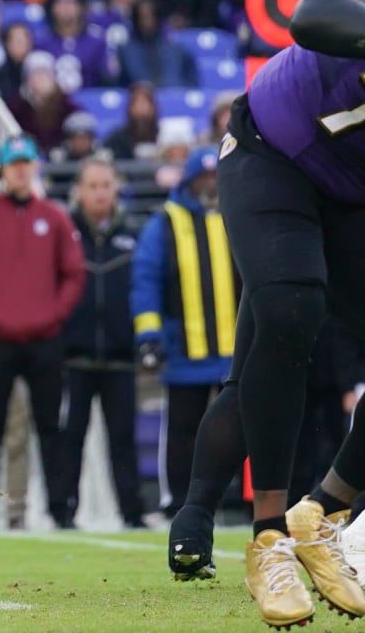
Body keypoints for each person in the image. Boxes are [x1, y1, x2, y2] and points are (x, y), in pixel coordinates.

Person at [164, 0, 365, 628]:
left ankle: (323, 512)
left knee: (269, 341)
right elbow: (312, 14)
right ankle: (269, 535)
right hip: (272, 152)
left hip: (350, 191)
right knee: (288, 310)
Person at [0, 136, 87, 530]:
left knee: (50, 428)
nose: (21, 170)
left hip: (44, 339)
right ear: (3, 170)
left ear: (35, 167)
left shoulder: (55, 217)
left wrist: (54, 314)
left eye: (27, 162)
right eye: (15, 164)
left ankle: (61, 511)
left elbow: (74, 274)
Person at [130, 146, 235, 518]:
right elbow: (146, 280)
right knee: (182, 433)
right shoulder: (165, 222)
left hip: (232, 353)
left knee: (234, 432)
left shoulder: (237, 215)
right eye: (203, 178)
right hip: (184, 351)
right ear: (190, 181)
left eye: (215, 177)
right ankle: (177, 500)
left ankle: (233, 500)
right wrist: (150, 336)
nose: (210, 185)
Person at [59, 158, 145, 529]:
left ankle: (133, 513)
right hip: (73, 357)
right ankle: (63, 513)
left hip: (121, 357)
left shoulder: (134, 234)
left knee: (123, 441)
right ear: (79, 190)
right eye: (92, 185)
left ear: (116, 188)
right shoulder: (63, 232)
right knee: (70, 440)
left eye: (105, 185)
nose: (99, 192)